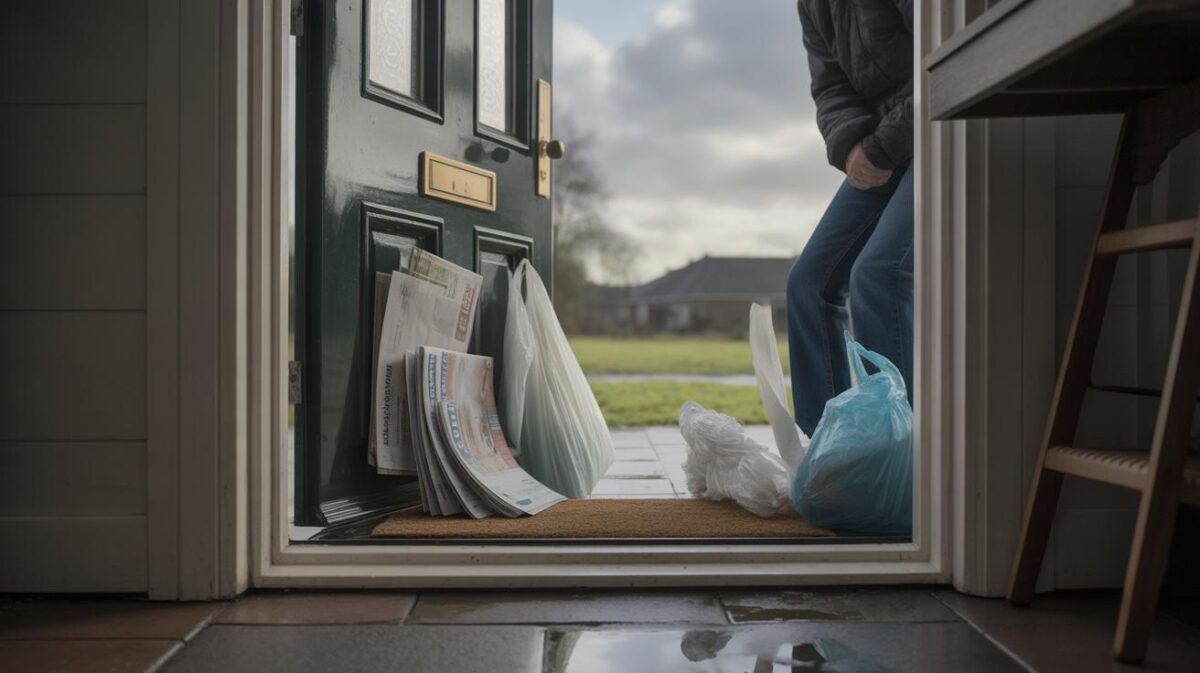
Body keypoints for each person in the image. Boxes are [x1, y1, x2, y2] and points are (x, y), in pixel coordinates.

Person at [788, 0, 914, 437]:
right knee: (808, 285)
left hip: (937, 128)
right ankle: (830, 451)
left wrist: (880, 147)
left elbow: (941, 62)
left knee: (879, 273)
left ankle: (897, 450)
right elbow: (830, 88)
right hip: (882, 140)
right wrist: (849, 147)